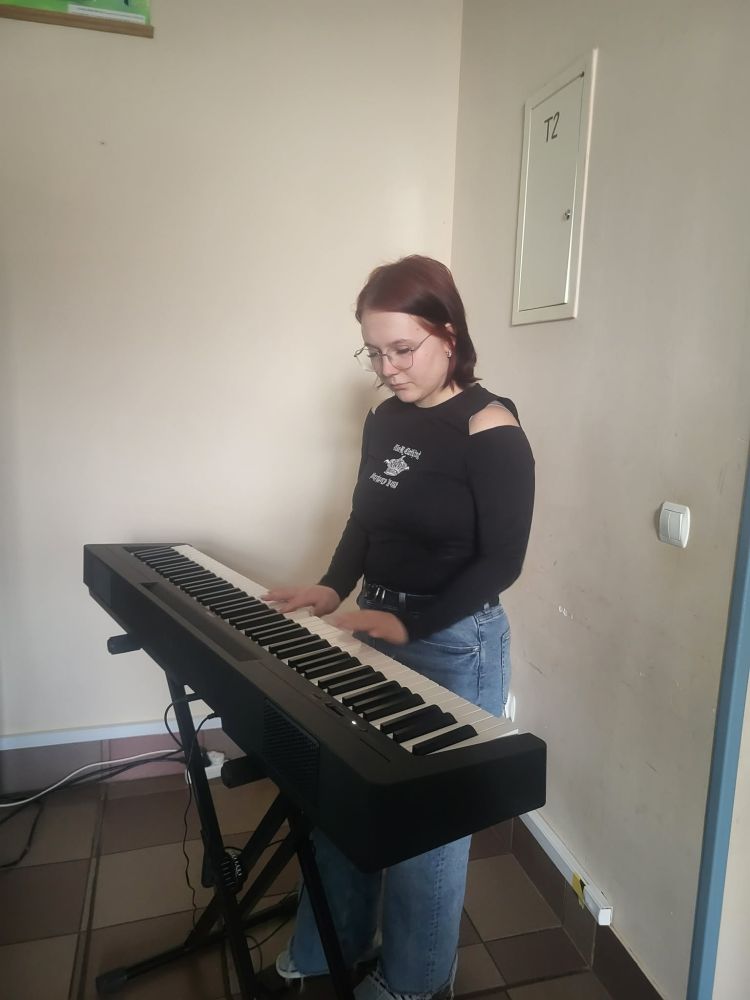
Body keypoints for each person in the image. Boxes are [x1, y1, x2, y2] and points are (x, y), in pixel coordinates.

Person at [263, 255, 535, 1000]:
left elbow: (502, 561)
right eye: (374, 352)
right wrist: (331, 587)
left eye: (403, 349)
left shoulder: (490, 427)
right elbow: (365, 518)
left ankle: (413, 985)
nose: (388, 369)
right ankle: (334, 948)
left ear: (449, 334)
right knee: (345, 798)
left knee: (427, 836)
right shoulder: (384, 418)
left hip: (454, 644)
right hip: (377, 623)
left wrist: (409, 624)